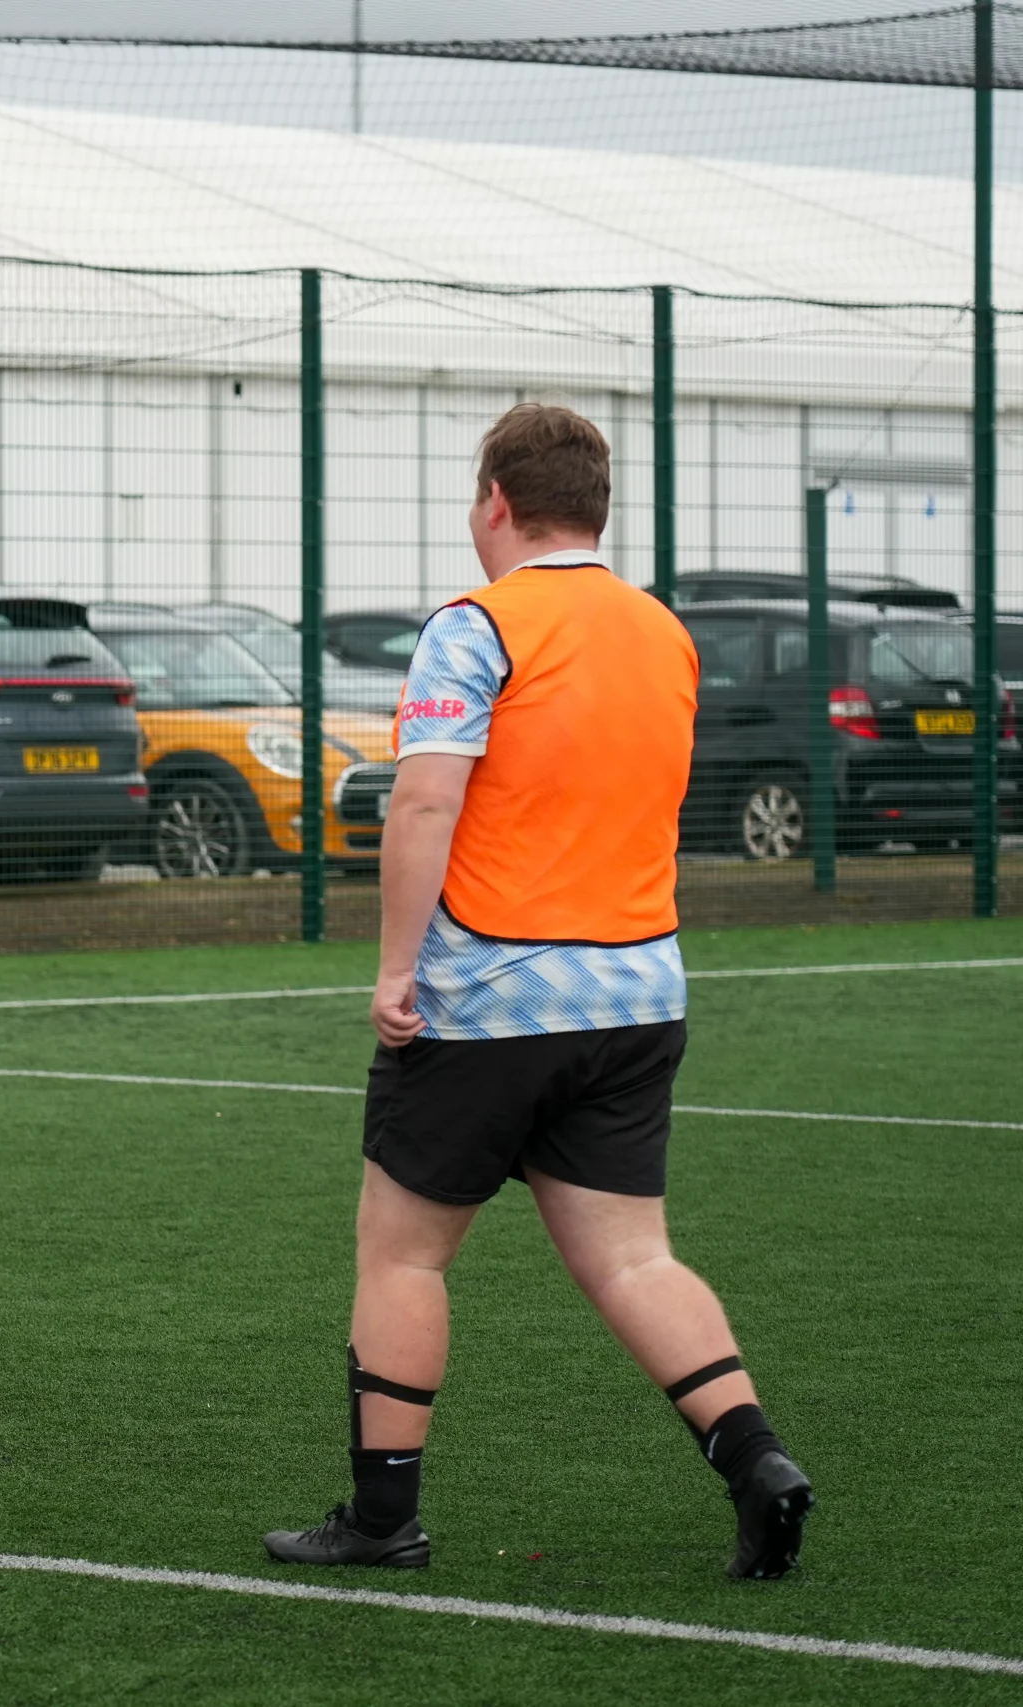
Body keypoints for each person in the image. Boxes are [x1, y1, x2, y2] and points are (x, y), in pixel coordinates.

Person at [263, 403, 814, 1578]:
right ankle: (757, 1459)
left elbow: (423, 802)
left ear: (496, 503)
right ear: (597, 507)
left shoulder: (476, 625)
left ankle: (379, 1522)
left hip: (491, 994)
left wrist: (396, 968)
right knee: (631, 1258)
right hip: (638, 988)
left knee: (402, 1257)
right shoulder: (661, 631)